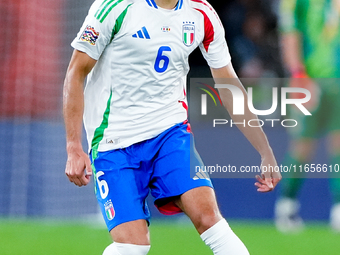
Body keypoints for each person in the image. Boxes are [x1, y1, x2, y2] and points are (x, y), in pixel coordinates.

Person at [63, 0, 281, 254]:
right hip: (115, 142)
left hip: (170, 133)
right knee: (132, 247)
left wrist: (265, 151)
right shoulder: (115, 7)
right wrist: (73, 146)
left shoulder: (202, 14)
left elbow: (229, 85)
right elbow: (76, 72)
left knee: (210, 220)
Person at [275, 0, 340, 232]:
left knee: (338, 145)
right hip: (310, 80)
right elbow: (290, 34)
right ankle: (287, 206)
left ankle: (338, 210)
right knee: (302, 147)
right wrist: (298, 75)